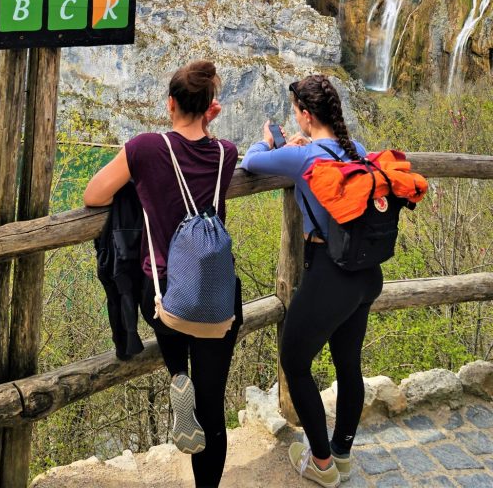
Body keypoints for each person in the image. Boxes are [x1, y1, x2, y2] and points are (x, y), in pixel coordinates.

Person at [84, 60, 241, 488]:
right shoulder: (227, 153)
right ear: (211, 107)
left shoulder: (146, 148)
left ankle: (178, 377)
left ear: (170, 103)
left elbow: (93, 193)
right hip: (216, 292)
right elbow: (205, 140)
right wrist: (208, 120)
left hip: (165, 292)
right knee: (214, 411)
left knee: (175, 336)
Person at [240, 74, 383, 487]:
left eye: (296, 112)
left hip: (329, 272)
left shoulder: (303, 157)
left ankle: (320, 463)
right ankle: (341, 454)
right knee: (348, 364)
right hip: (365, 274)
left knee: (295, 361)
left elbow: (250, 162)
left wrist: (271, 140)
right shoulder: (355, 149)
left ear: (305, 116)